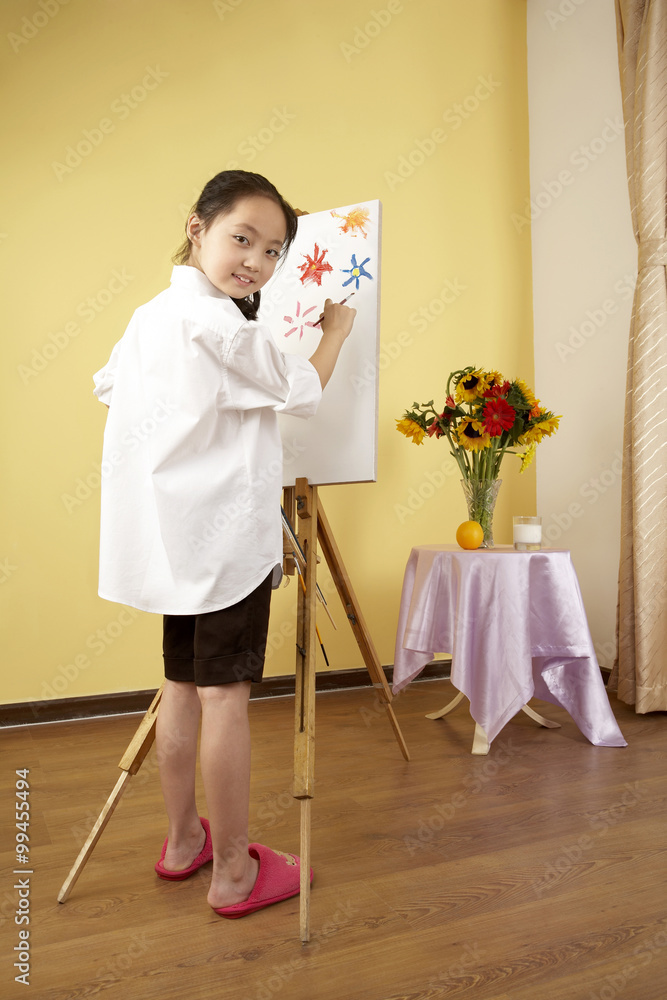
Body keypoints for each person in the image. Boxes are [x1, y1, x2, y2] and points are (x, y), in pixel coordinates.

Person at [93, 170, 355, 918]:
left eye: (273, 251)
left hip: (172, 540)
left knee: (181, 685)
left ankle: (183, 842)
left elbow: (106, 385)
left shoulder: (152, 316)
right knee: (225, 697)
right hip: (224, 538)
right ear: (198, 227)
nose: (257, 262)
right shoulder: (223, 326)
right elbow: (302, 388)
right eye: (243, 238)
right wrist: (333, 331)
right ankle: (235, 871)